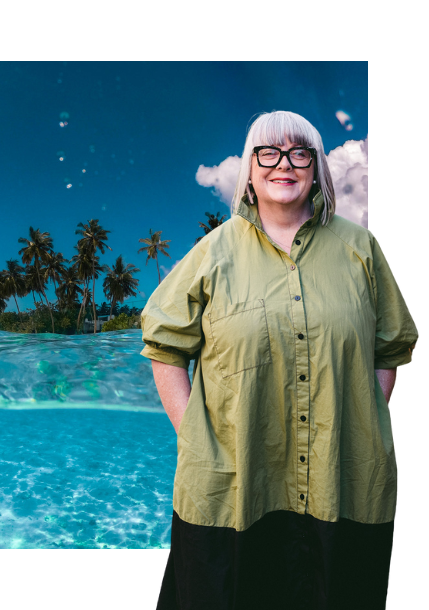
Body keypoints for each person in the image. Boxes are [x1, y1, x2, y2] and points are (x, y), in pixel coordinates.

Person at [140, 110, 417, 610]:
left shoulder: (361, 250)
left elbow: (388, 349)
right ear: (250, 167)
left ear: (316, 167)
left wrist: (356, 422)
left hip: (343, 482)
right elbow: (164, 347)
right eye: (268, 152)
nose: (283, 164)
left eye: (299, 152)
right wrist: (196, 438)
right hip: (235, 486)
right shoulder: (213, 252)